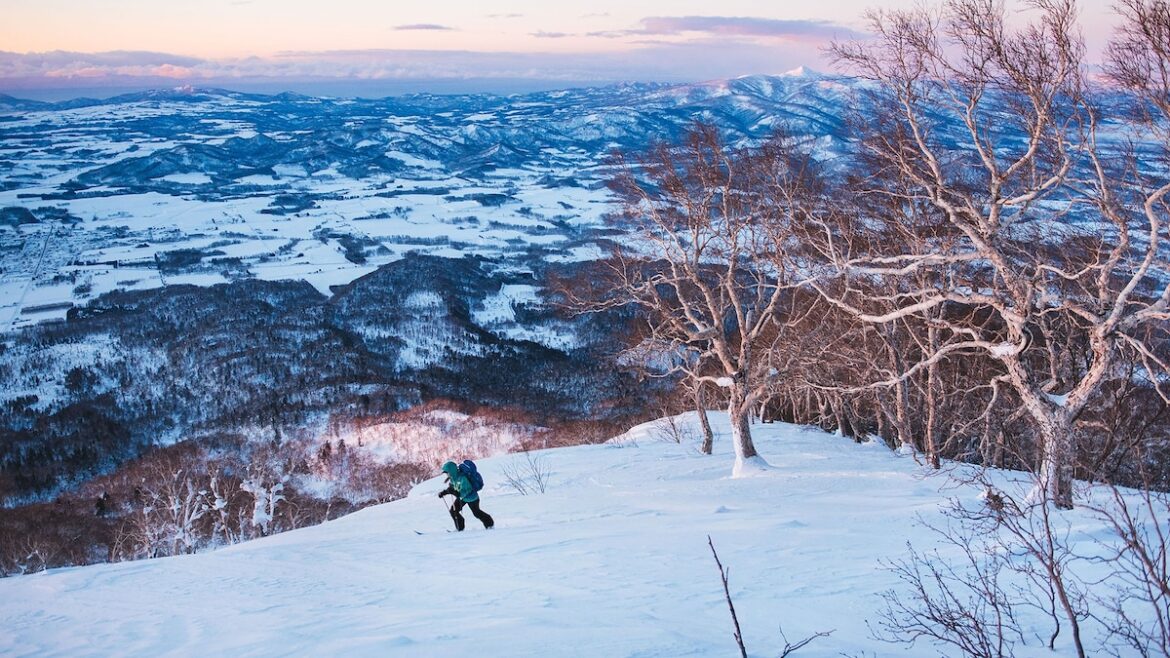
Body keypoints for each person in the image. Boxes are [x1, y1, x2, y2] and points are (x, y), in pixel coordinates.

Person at [438, 461, 494, 531]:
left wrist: (458, 493)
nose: (447, 475)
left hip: (472, 498)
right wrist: (443, 493)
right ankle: (460, 528)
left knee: (476, 513)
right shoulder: (453, 478)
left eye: (447, 472)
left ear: (451, 471)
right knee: (453, 511)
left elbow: (468, 490)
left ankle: (489, 524)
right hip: (462, 498)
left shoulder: (462, 478)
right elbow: (452, 488)